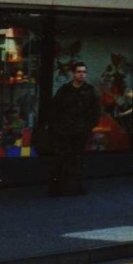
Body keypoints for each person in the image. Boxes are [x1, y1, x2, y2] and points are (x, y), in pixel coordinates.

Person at [48, 63, 100, 196]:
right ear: (73, 73)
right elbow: (55, 108)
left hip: (80, 130)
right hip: (64, 130)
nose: (81, 74)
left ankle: (76, 187)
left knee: (77, 159)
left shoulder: (89, 90)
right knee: (62, 158)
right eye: (78, 72)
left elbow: (95, 110)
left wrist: (89, 126)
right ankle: (59, 188)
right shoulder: (65, 90)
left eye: (84, 72)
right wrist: (57, 126)